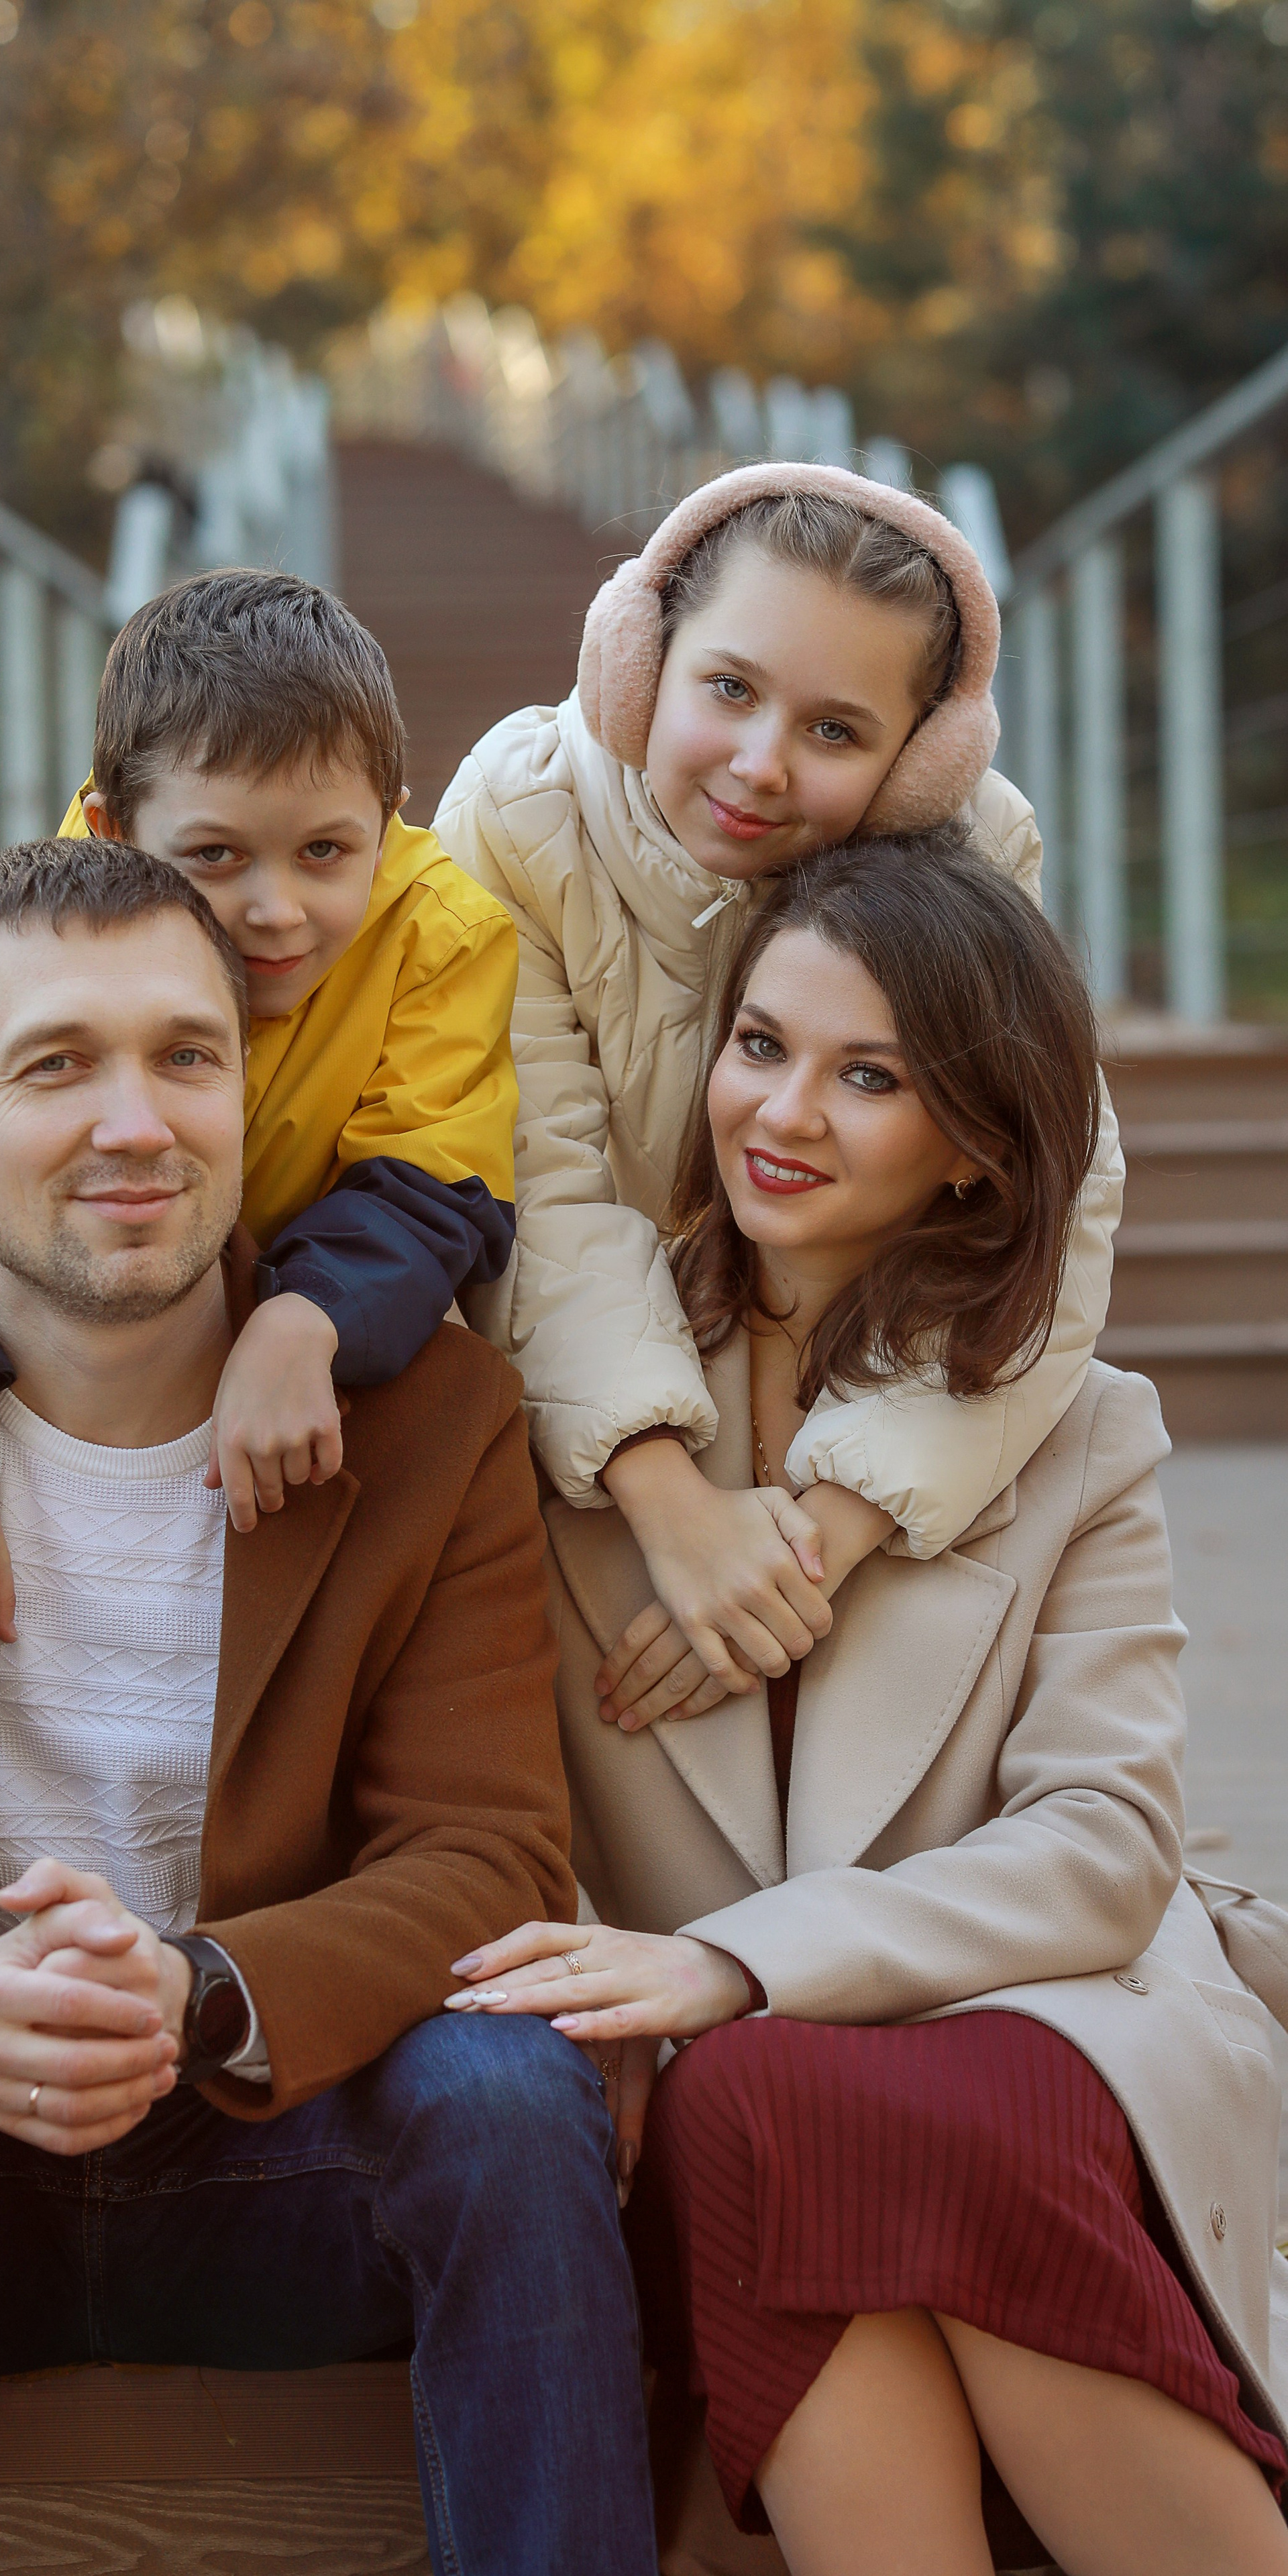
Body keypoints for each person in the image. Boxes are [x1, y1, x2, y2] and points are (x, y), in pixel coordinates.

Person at [0, 839, 656, 2576]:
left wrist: (199, 1990)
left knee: (509, 2090)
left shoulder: (427, 1415)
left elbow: (489, 1857)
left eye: (185, 1055)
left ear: (245, 1083)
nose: (136, 1122)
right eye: (57, 1065)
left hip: (276, 2161)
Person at [445, 835, 1288, 2576]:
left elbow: (1106, 1848)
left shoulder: (1077, 1428)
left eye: (871, 1076)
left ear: (977, 1146)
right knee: (764, 2110)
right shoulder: (577, 1422)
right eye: (760, 1046)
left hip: (1059, 2032)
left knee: (764, 2095)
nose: (787, 1113)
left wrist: (741, 1965)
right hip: (748, 2107)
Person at [0, 568, 519, 1715]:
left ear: (388, 812)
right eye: (214, 858)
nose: (275, 911)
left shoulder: (442, 933)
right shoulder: (67, 922)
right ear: (115, 830)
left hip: (270, 1344)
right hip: (68, 1337)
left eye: (326, 851)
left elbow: (435, 1181)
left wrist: (303, 1320)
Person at [437, 462, 1126, 1722]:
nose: (760, 765)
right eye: (730, 689)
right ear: (638, 662)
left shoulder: (966, 845)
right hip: (586, 1376)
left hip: (848, 1350)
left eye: (834, 731)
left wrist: (823, 1539)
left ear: (918, 764)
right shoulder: (515, 819)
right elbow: (543, 1184)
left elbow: (1056, 1185)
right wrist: (671, 1504)